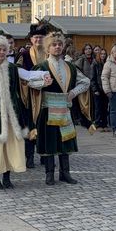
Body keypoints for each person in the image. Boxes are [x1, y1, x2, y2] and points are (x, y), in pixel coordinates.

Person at [0, 35, 50, 189]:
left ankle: (7, 177)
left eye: (4, 49)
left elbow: (28, 75)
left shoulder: (13, 69)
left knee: (9, 145)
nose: (1, 52)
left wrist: (44, 75)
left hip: (11, 112)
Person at [31, 32, 91, 185]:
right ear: (48, 48)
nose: (57, 47)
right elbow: (29, 84)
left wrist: (73, 92)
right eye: (53, 45)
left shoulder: (70, 67)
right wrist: (42, 84)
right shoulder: (42, 67)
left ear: (63, 47)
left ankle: (65, 173)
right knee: (50, 142)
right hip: (48, 109)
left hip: (64, 109)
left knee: (65, 142)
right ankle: (49, 173)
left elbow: (85, 82)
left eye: (59, 44)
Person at [17, 22, 50, 168]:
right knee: (30, 125)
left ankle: (44, 155)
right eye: (36, 37)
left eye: (41, 37)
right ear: (31, 39)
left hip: (47, 96)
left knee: (45, 127)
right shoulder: (24, 54)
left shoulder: (49, 54)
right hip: (29, 96)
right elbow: (20, 74)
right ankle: (29, 156)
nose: (38, 40)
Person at [90, 47, 110, 132]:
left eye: (104, 54)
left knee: (105, 107)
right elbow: (92, 78)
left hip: (105, 89)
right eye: (101, 54)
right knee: (98, 108)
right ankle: (98, 124)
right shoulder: (95, 63)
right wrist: (95, 90)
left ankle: (104, 124)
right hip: (98, 89)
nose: (103, 55)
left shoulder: (107, 63)